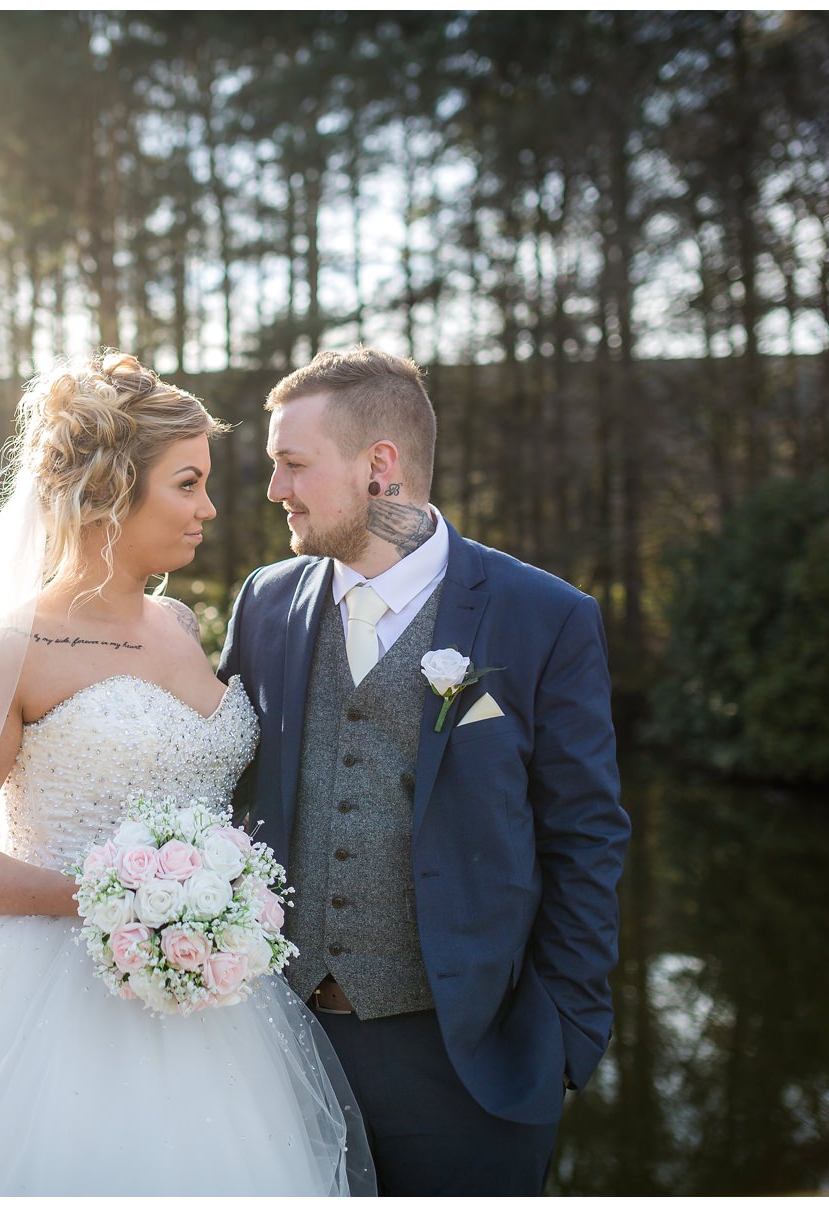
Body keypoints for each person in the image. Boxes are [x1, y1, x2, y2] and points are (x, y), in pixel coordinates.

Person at [0, 352, 371, 1196]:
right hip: (47, 1002)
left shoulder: (179, 622)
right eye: (187, 482)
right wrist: (105, 896)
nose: (210, 508)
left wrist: (204, 903)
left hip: (219, 997)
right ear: (112, 490)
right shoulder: (10, 648)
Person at [218, 347, 629, 1195]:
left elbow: (585, 837)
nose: (274, 491)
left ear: (380, 466)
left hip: (471, 1060)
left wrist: (564, 1034)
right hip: (276, 1054)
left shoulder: (544, 616)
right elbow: (230, 794)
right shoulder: (266, 601)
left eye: (293, 464)